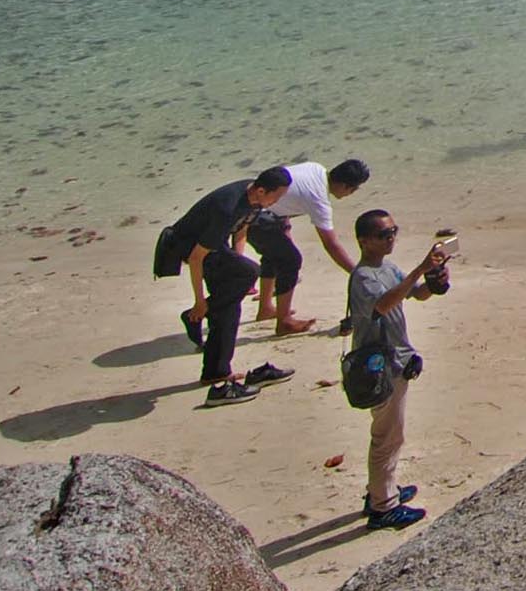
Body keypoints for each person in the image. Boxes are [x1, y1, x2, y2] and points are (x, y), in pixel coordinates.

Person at [345, 209, 450, 531]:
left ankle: (381, 491)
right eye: (383, 235)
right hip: (380, 365)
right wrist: (420, 268)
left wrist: (434, 281)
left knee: (391, 434)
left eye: (394, 232)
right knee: (387, 437)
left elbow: (414, 294)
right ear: (364, 241)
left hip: (397, 360)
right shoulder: (363, 276)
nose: (391, 238)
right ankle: (383, 506)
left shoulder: (388, 267)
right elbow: (384, 305)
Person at [170, 167, 299, 405]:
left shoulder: (255, 198)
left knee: (233, 296)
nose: (277, 202)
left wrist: (236, 263)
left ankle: (216, 372)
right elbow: (197, 258)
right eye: (276, 197)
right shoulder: (226, 208)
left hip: (215, 248)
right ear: (261, 190)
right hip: (190, 248)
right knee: (242, 281)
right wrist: (200, 302)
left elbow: (241, 229)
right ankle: (201, 324)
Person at [249, 158, 369, 336]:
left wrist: (284, 225)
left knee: (274, 254)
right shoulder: (319, 200)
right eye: (354, 189)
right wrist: (356, 272)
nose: (352, 193)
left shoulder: (315, 168)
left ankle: (266, 308)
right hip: (257, 220)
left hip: (253, 212)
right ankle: (284, 323)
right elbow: (331, 245)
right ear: (345, 186)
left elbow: (289, 190)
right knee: (290, 260)